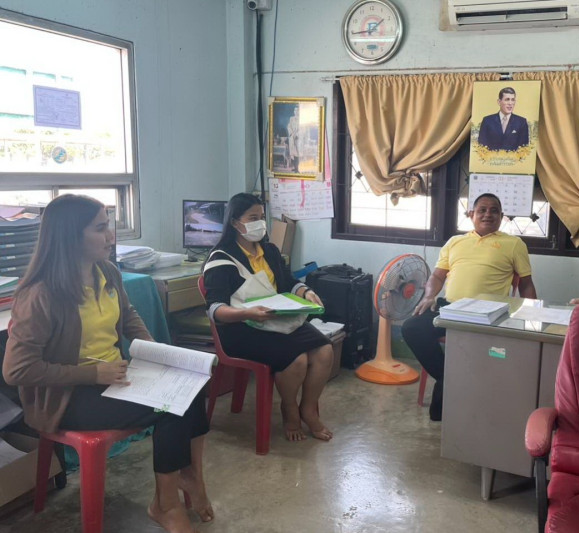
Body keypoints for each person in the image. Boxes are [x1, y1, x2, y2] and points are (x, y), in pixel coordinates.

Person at [2, 195, 212, 533]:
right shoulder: (41, 294)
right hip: (67, 397)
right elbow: (17, 370)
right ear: (71, 236)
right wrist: (92, 373)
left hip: (112, 378)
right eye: (100, 229)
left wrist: (155, 352)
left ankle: (191, 476)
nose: (111, 236)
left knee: (194, 383)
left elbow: (128, 316)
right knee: (170, 406)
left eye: (108, 226)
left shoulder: (107, 272)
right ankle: (165, 504)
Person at [202, 193, 333, 441]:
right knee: (297, 360)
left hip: (276, 319)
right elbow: (215, 309)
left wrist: (306, 292)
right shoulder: (221, 259)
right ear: (235, 222)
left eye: (262, 217)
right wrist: (246, 313)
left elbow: (288, 282)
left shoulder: (270, 251)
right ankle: (290, 409)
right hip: (241, 328)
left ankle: (308, 409)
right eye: (253, 218)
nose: (260, 223)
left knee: (325, 351)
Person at [401, 193, 537, 421]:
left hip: (488, 315)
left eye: (494, 210)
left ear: (501, 216)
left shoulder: (514, 244)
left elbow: (526, 283)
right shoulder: (455, 242)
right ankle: (449, 377)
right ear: (471, 214)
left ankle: (448, 387)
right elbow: (437, 276)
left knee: (497, 354)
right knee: (411, 327)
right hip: (450, 308)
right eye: (482, 210)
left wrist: (531, 314)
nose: (488, 214)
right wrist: (429, 296)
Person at [477, 87, 530, 152]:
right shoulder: (487, 121)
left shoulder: (521, 122)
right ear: (499, 102)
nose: (510, 103)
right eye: (507, 99)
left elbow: (524, 149)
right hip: (491, 158)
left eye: (512, 100)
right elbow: (482, 147)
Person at [287, 106, 300, 172]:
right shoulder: (291, 118)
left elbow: (303, 128)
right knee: (293, 153)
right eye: (295, 110)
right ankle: (295, 167)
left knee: (298, 153)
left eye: (297, 110)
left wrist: (297, 134)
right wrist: (292, 133)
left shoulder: (302, 118)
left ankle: (298, 169)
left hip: (298, 139)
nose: (296, 112)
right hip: (292, 138)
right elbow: (289, 126)